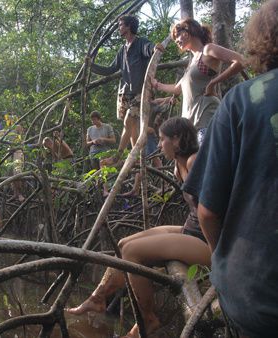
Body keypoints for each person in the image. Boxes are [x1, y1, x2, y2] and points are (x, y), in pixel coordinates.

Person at [182, 1, 278, 336]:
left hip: (255, 299)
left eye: (181, 31)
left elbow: (207, 212)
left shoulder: (240, 100)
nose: (179, 36)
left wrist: (220, 259)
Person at [67, 117, 211, 338]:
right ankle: (98, 299)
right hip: (191, 230)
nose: (159, 145)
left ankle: (147, 319)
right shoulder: (177, 166)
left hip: (208, 241)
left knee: (131, 252)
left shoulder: (194, 161)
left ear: (177, 139)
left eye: (162, 140)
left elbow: (215, 207)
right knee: (124, 244)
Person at [152, 18, 244, 143]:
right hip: (190, 122)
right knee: (191, 160)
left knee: (205, 157)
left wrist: (213, 83)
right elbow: (177, 88)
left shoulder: (207, 50)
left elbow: (241, 61)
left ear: (186, 33)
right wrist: (156, 84)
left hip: (206, 114)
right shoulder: (192, 61)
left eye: (177, 36)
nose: (176, 41)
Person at [92, 15, 162, 161]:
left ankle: (118, 155)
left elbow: (148, 48)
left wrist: (155, 47)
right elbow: (110, 69)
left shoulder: (140, 42)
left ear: (129, 26)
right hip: (125, 94)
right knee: (131, 128)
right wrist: (91, 66)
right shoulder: (122, 50)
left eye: (121, 25)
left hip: (140, 92)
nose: (119, 28)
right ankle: (140, 159)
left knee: (128, 122)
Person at [0, 112, 25, 202]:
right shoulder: (6, 130)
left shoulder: (17, 127)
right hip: (9, 152)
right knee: (9, 173)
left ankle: (20, 194)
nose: (9, 120)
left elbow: (22, 136)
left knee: (17, 171)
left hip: (17, 151)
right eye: (8, 118)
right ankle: (15, 193)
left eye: (11, 118)